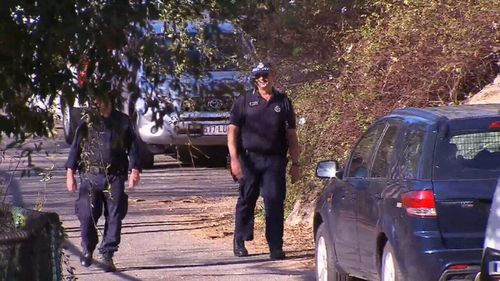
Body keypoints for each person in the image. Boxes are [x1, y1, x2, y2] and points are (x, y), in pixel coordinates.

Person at [227, 62, 301, 260]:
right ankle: (240, 239)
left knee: (274, 201)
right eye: (258, 75)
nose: (262, 78)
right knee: (246, 199)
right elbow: (232, 131)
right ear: (254, 78)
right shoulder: (243, 101)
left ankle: (276, 246)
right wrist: (234, 159)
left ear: (273, 75)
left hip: (275, 161)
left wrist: (295, 163)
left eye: (265, 74)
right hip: (249, 159)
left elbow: (291, 135)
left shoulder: (283, 101)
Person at [65, 96, 141, 272]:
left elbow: (133, 147)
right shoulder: (87, 121)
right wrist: (70, 173)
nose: (99, 104)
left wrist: (134, 169)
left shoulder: (122, 121)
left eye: (102, 100)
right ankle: (88, 249)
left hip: (115, 176)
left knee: (115, 216)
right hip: (90, 175)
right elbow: (76, 148)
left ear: (110, 101)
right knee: (86, 215)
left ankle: (107, 254)